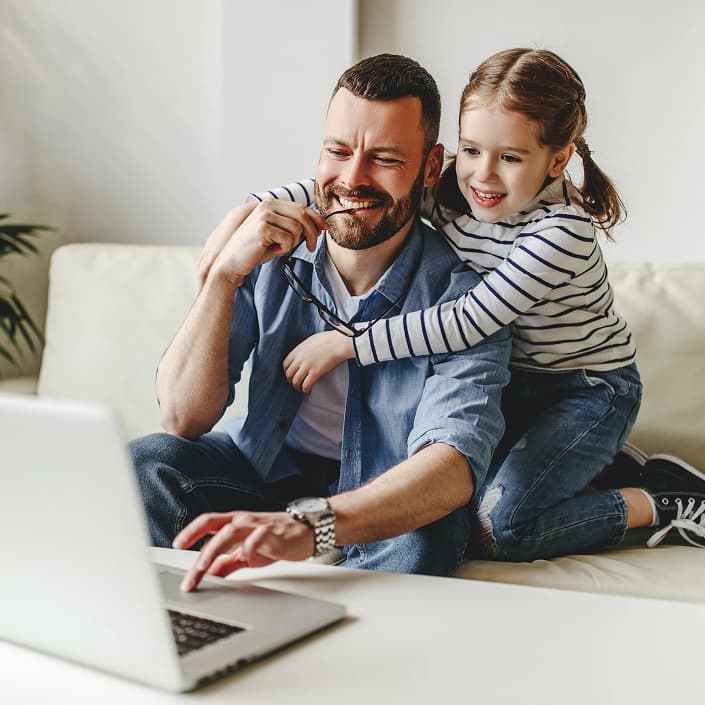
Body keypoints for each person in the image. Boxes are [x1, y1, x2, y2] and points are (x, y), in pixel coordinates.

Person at [243, 48, 705, 558]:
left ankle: (661, 500)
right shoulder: (450, 194)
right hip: (514, 380)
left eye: (509, 158)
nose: (483, 176)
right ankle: (598, 466)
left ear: (558, 159)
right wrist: (247, 217)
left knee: (500, 528)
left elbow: (469, 320)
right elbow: (349, 190)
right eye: (471, 151)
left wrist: (348, 342)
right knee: (443, 500)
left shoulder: (562, 230)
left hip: (585, 390)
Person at [129, 53, 512, 592]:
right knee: (148, 463)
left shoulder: (470, 300)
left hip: (382, 496)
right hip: (267, 471)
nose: (352, 179)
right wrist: (223, 278)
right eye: (337, 151)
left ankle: (332, 648)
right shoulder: (267, 252)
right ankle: (196, 628)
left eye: (383, 159)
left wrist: (314, 524)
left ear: (430, 167)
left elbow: (449, 468)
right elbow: (183, 417)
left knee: (432, 529)